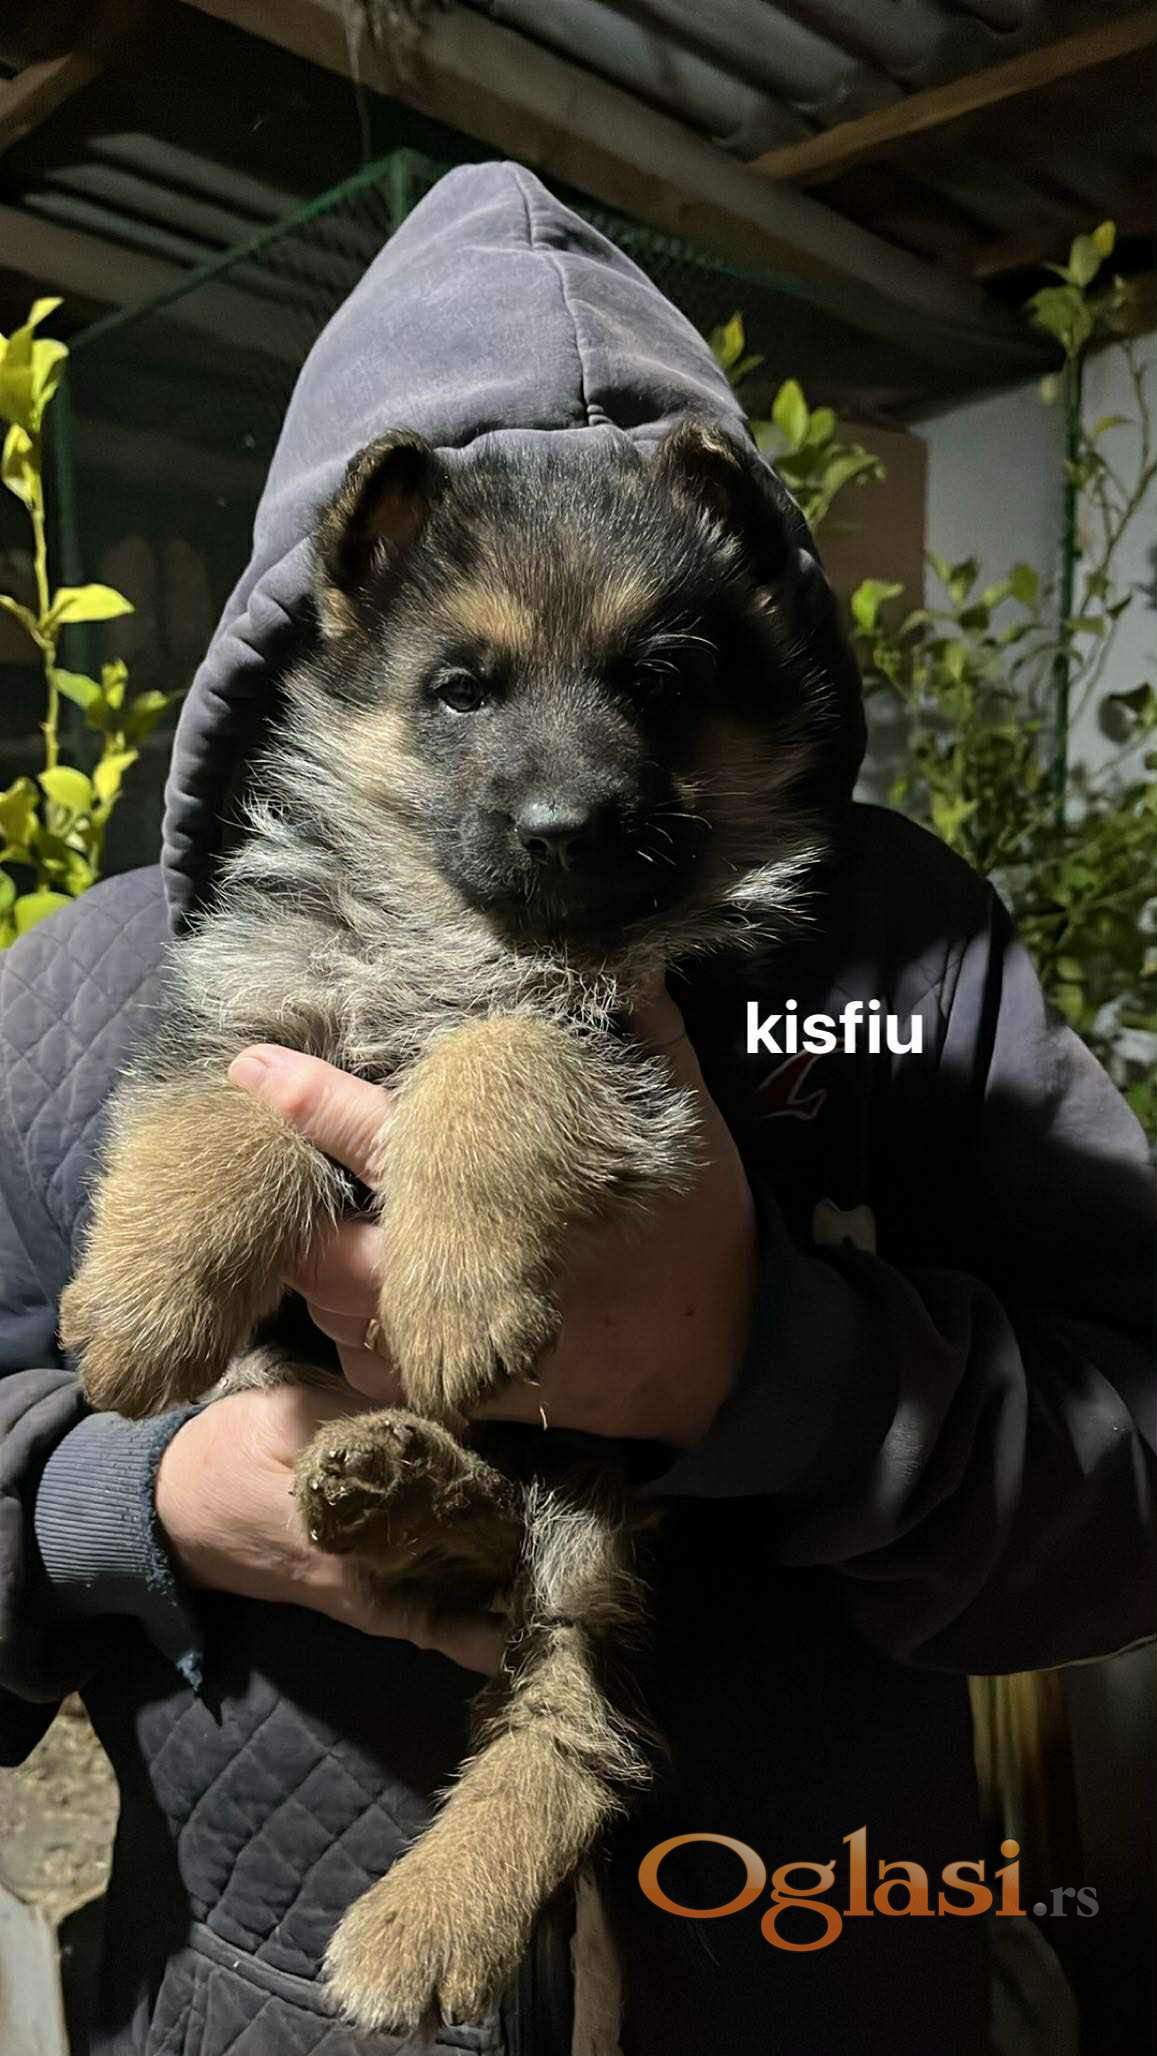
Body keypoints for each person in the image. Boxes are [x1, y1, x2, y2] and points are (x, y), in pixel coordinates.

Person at [1, 162, 1152, 2056]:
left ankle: (540, 1768)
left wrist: (765, 1366)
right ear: (335, 650)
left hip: (813, 1958)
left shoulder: (904, 956)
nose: (563, 780)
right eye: (468, 687)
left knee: (525, 1124)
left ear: (765, 654)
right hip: (237, 1987)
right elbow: (160, 1239)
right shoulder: (82, 981)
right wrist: (140, 1501)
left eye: (657, 675)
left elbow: (1135, 1479)